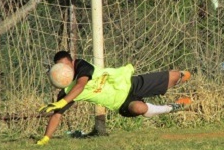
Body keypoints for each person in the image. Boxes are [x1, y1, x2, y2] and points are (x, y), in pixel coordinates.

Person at [36, 50, 192, 145]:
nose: (65, 71)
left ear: (72, 62)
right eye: (60, 68)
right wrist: (46, 138)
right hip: (123, 103)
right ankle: (172, 107)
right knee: (139, 108)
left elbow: (81, 85)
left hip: (131, 83)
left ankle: (196, 98)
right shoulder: (67, 92)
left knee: (181, 76)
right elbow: (57, 115)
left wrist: (63, 100)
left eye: (66, 66)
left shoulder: (82, 66)